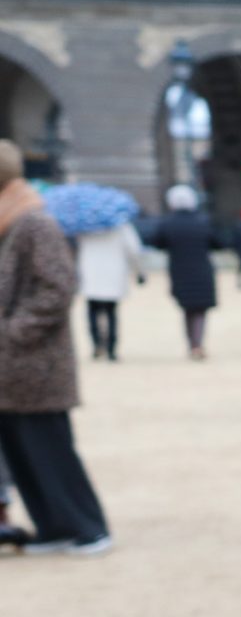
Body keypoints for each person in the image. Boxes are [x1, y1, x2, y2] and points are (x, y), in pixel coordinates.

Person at [0, 141, 111, 555]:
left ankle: (89, 528)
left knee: (51, 451)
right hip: (11, 367)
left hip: (34, 362)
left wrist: (14, 331)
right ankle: (52, 527)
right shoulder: (8, 222)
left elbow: (59, 285)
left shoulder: (33, 222)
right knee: (23, 455)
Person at [144, 184, 220, 360]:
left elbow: (157, 242)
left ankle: (192, 344)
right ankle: (198, 343)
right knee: (201, 310)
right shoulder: (202, 221)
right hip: (202, 269)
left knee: (187, 309)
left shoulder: (168, 223)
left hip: (179, 270)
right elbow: (218, 242)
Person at [76, 211, 144, 363]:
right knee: (111, 312)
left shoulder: (85, 225)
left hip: (91, 273)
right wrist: (139, 271)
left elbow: (78, 249)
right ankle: (112, 349)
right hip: (113, 273)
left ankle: (97, 344)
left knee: (93, 312)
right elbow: (134, 249)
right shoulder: (122, 225)